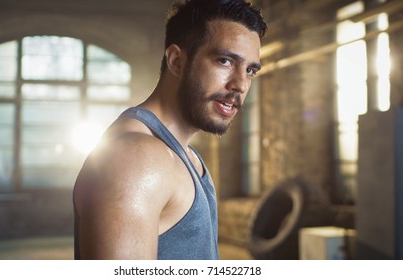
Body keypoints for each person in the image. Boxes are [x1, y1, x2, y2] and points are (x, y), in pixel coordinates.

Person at [73, 0, 267, 260]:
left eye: (250, 70)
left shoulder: (186, 156)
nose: (240, 85)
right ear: (176, 60)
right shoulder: (137, 158)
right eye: (224, 61)